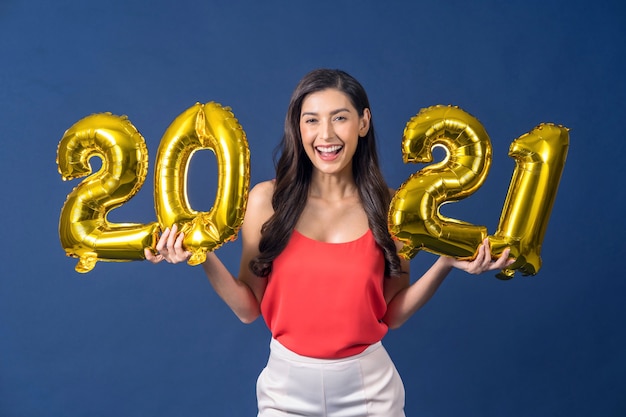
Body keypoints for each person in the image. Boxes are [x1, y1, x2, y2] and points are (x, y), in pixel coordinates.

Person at [145, 69, 513, 417]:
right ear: (298, 127)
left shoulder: (393, 207)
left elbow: (392, 313)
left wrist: (446, 263)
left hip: (369, 390)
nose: (326, 134)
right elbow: (247, 308)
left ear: (363, 122)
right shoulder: (265, 201)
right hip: (286, 389)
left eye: (340, 118)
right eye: (312, 120)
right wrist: (201, 256)